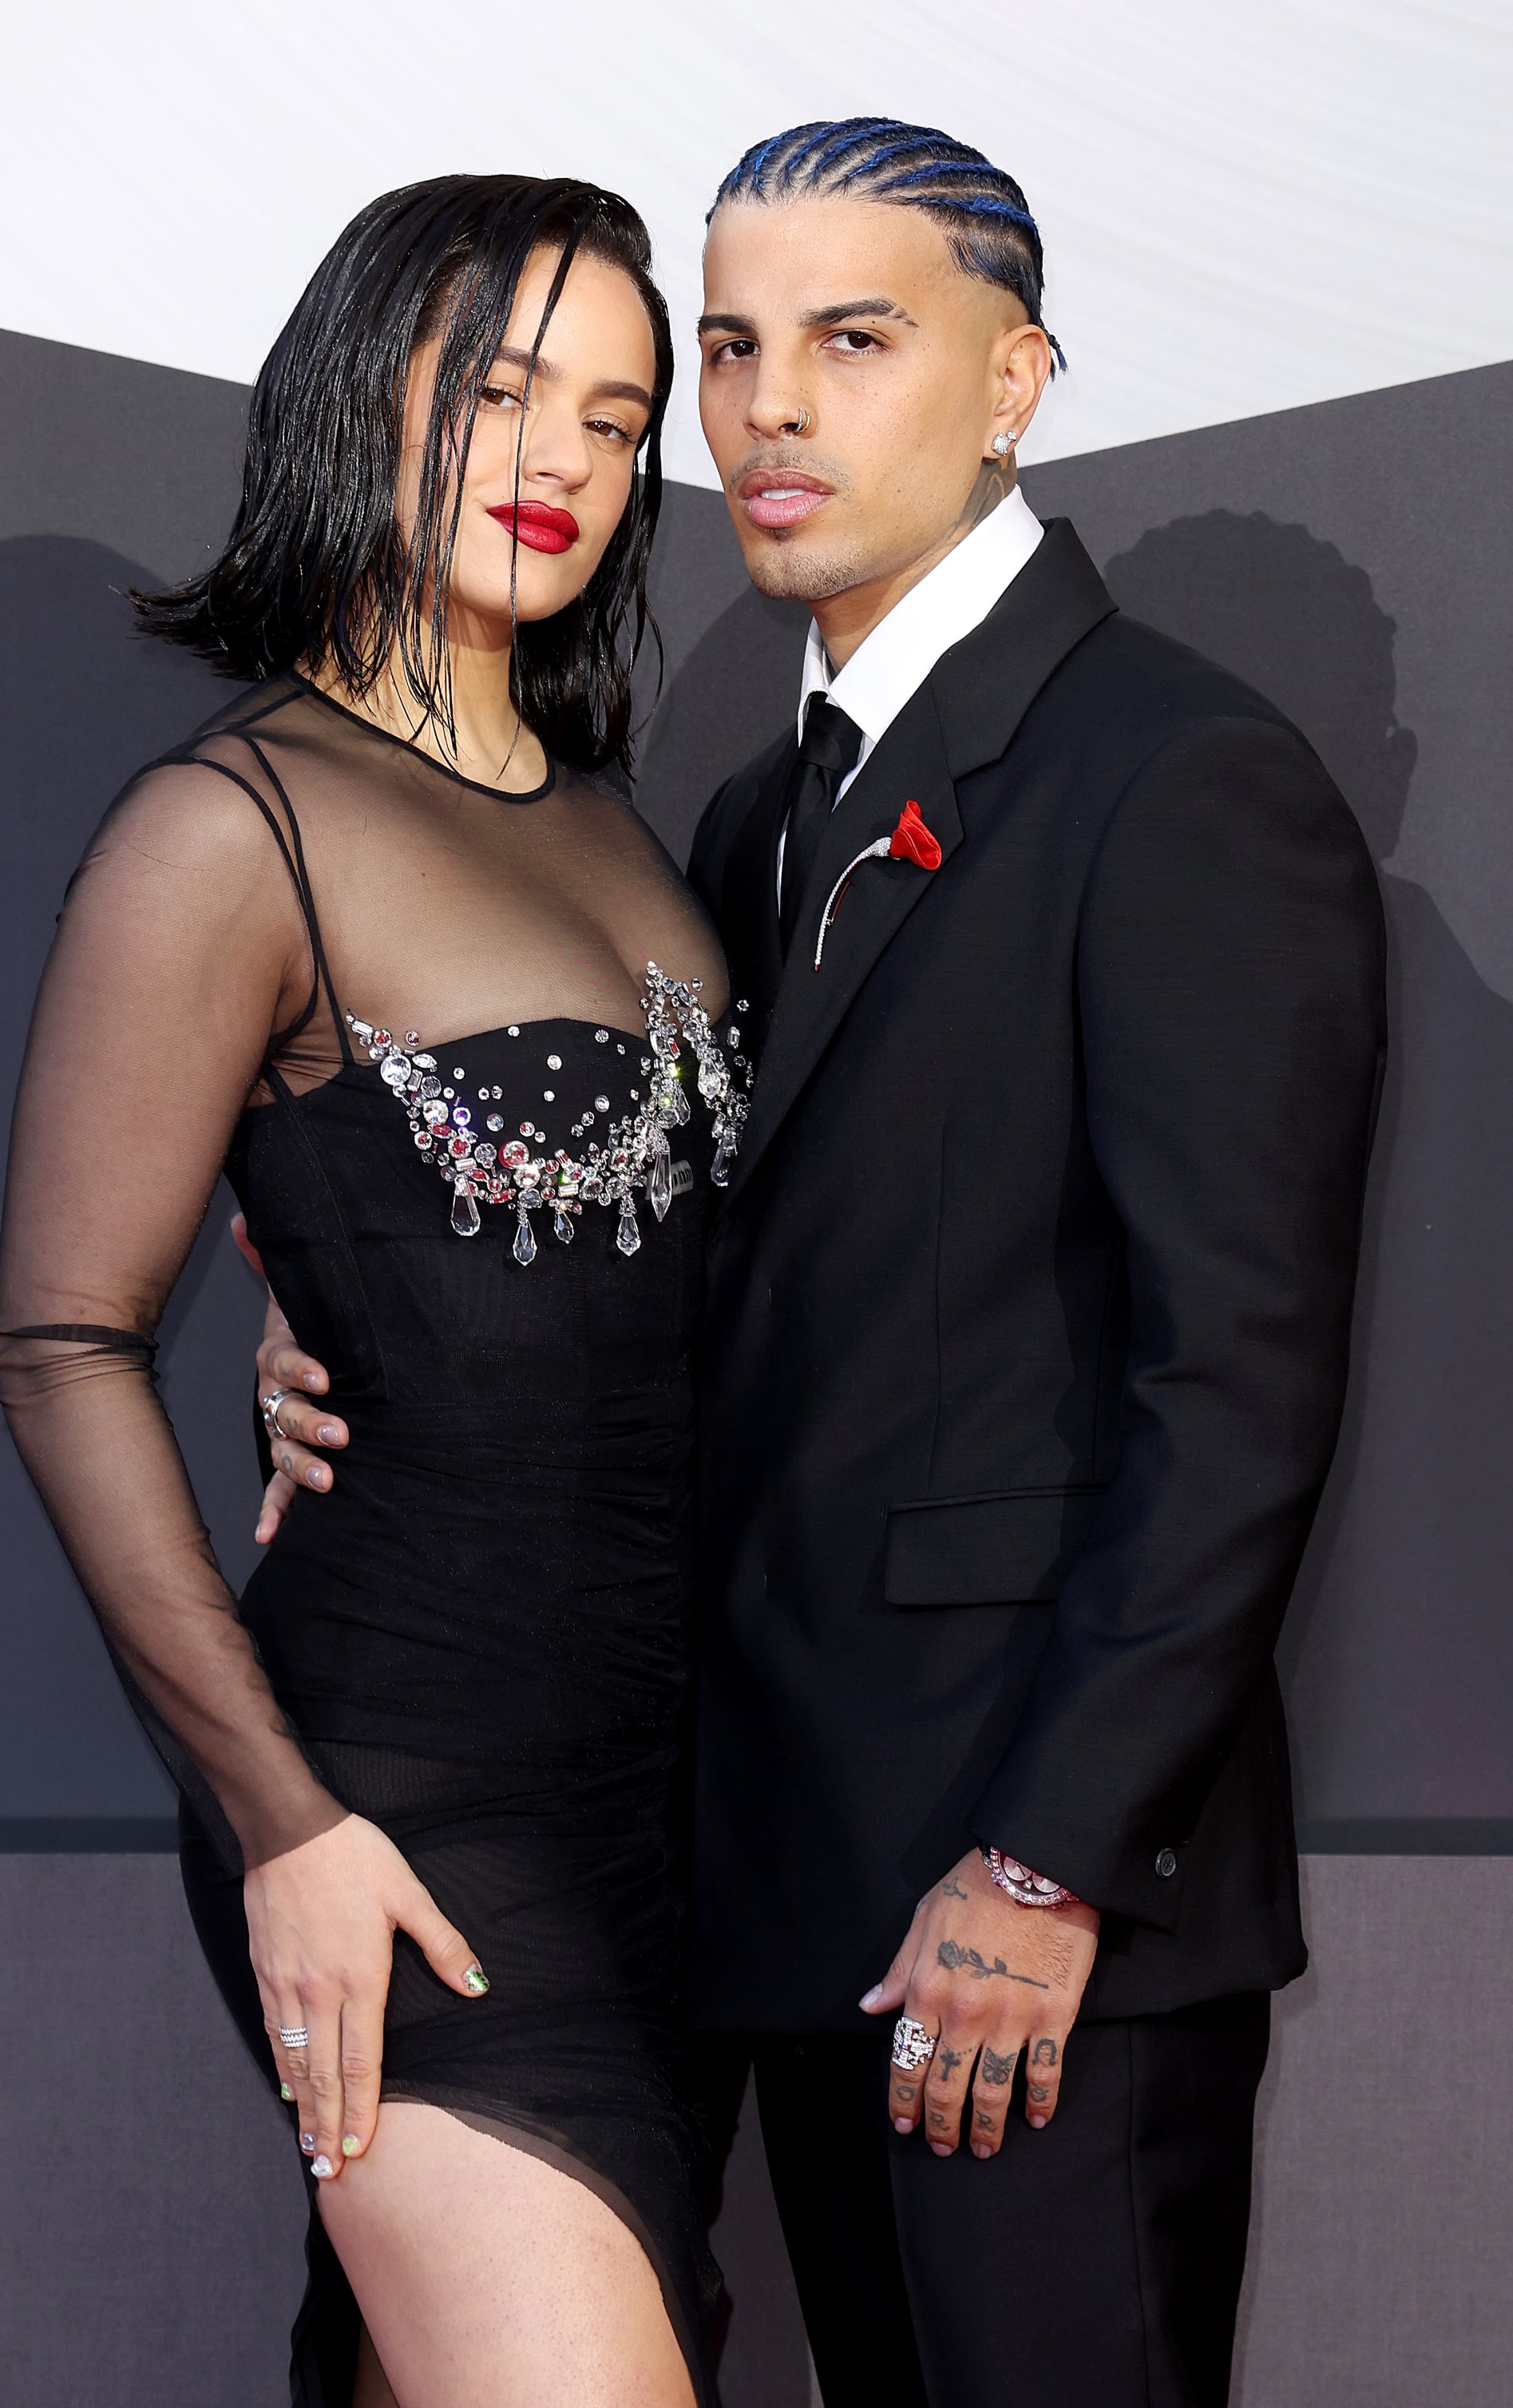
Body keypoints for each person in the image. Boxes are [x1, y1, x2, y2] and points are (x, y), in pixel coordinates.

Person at [258, 121, 1387, 2408]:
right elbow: (708, 1274)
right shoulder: (761, 819)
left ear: (1016, 379)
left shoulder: (1179, 779)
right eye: (740, 349)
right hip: (775, 1896)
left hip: (1029, 1925)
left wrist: (1050, 1872)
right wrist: (365, 1318)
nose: (767, 411)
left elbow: (1234, 1390)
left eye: (854, 342)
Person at [0, 173, 751, 2408]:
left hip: (673, 1807)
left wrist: (326, 1323)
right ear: (364, 386)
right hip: (402, 1799)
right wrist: (284, 1829)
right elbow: (56, 1342)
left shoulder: (621, 823)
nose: (567, 467)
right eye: (505, 390)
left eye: (621, 422)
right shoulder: (234, 822)